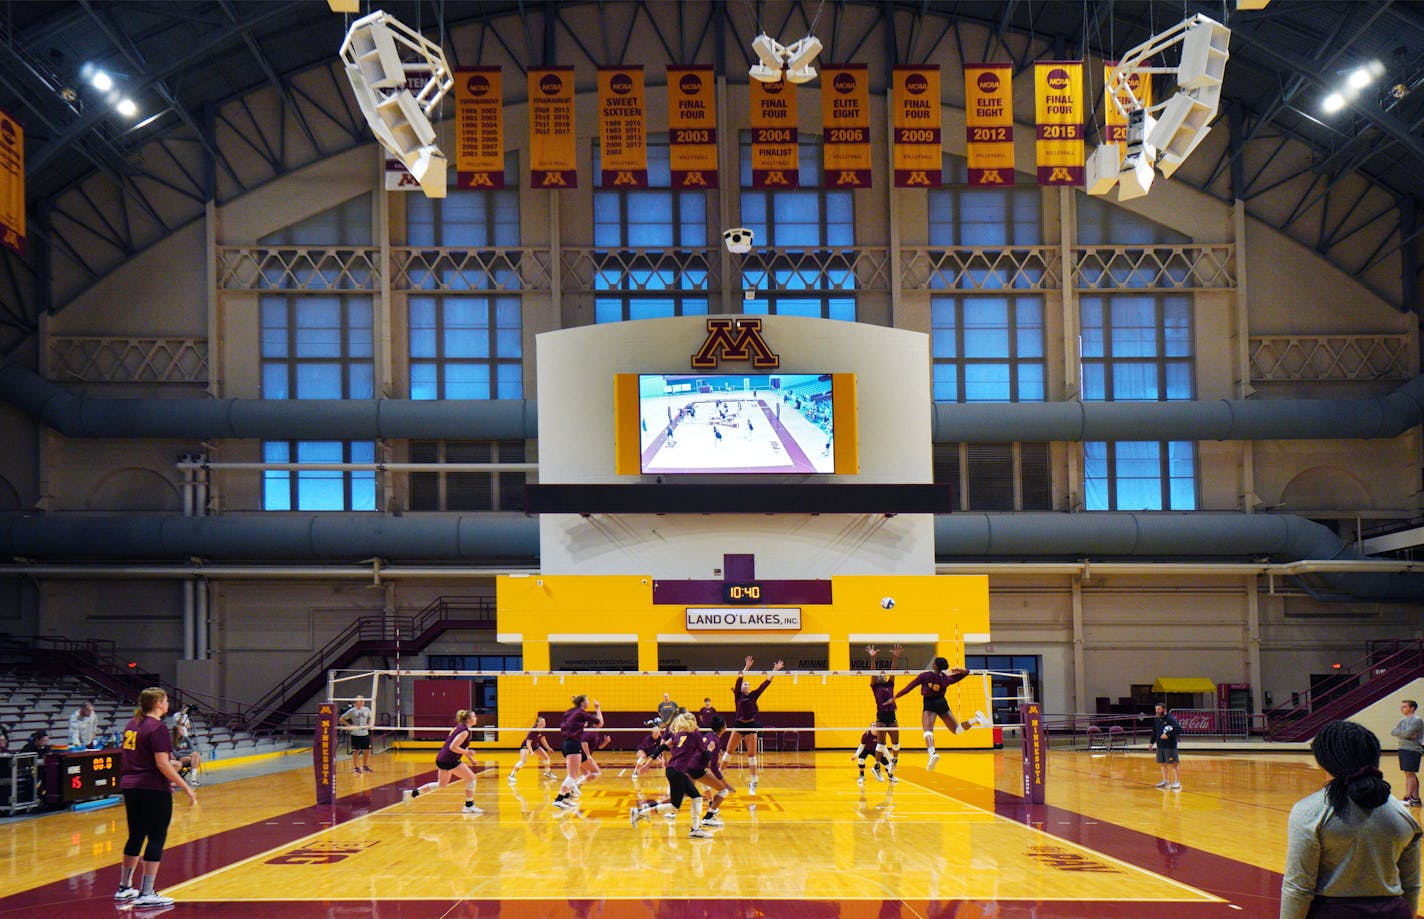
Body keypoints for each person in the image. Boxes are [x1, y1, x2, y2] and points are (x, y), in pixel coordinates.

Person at [1280, 720, 1421, 919]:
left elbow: (1299, 887)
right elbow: (1411, 885)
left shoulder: (1310, 811)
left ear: (1324, 759)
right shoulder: (1403, 813)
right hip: (1394, 912)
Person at [114, 687, 197, 907]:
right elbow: (161, 764)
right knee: (157, 836)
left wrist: (173, 765)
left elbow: (148, 758)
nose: (168, 703)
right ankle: (147, 892)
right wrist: (185, 786)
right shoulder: (158, 727)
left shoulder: (132, 724)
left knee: (136, 835)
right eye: (166, 699)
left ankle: (124, 887)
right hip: (152, 787)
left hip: (131, 785)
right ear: (159, 702)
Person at [630, 712, 721, 838]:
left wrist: (647, 764)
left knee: (697, 798)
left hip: (674, 770)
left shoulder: (679, 735)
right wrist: (710, 749)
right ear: (693, 722)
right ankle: (641, 812)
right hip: (678, 771)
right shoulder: (696, 735)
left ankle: (695, 829)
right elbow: (706, 757)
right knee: (674, 807)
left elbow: (661, 748)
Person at [893, 656, 987, 767]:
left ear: (934, 665)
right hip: (942, 703)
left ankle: (932, 754)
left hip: (929, 703)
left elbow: (909, 687)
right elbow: (965, 673)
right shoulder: (946, 679)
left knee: (927, 731)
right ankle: (975, 719)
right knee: (957, 730)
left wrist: (895, 697)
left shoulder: (925, 676)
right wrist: (961, 670)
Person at [724, 656, 784, 795]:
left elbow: (766, 683)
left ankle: (754, 781)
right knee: (728, 753)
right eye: (744, 684)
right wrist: (746, 667)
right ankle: (719, 777)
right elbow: (739, 679)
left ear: (750, 688)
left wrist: (774, 670)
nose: (746, 685)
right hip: (739, 726)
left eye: (747, 684)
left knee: (752, 755)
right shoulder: (738, 695)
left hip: (751, 726)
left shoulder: (753, 695)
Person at [405, 709, 483, 816]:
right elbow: (453, 747)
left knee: (442, 784)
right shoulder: (464, 731)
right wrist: (467, 752)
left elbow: (463, 745)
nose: (476, 718)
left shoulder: (462, 728)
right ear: (469, 719)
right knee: (472, 778)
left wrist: (471, 758)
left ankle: (412, 793)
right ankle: (469, 806)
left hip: (443, 758)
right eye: (474, 717)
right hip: (449, 760)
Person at [553, 694, 603, 810]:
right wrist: (597, 708)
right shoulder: (581, 713)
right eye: (587, 700)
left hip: (566, 744)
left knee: (573, 774)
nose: (589, 702)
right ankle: (559, 799)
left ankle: (566, 798)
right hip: (573, 744)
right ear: (582, 703)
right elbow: (600, 723)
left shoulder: (569, 711)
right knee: (572, 775)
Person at [867, 643, 903, 778]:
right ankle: (876, 766)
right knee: (881, 743)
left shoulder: (890, 684)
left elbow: (893, 670)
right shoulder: (874, 686)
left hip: (892, 716)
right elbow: (872, 672)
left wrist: (895, 657)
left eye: (883, 673)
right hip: (881, 716)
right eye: (879, 673)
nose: (882, 674)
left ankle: (895, 760)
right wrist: (872, 658)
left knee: (896, 743)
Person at [1390, 700, 1422, 808]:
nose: (1401, 708)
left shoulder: (1417, 720)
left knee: (1410, 774)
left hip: (1412, 749)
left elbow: (1405, 733)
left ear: (1412, 708)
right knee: (1409, 774)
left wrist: (1403, 734)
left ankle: (1408, 798)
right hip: (1403, 747)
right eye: (1401, 706)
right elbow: (1393, 731)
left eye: (1404, 706)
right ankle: (1415, 798)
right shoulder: (1402, 720)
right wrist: (1404, 734)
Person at [508, 716, 556, 783]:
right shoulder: (533, 731)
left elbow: (543, 740)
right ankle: (511, 775)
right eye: (541, 721)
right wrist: (531, 751)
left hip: (535, 746)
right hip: (526, 746)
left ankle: (547, 772)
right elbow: (528, 742)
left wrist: (548, 748)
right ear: (537, 723)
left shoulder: (543, 730)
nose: (543, 723)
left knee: (546, 758)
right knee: (523, 761)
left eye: (544, 721)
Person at [1150, 703, 1183, 790]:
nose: (1157, 711)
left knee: (1173, 763)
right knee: (1162, 763)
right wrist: (1151, 742)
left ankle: (1177, 782)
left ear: (1164, 709)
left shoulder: (1170, 719)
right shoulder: (1156, 719)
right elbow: (1154, 731)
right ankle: (1165, 781)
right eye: (1156, 709)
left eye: (1159, 709)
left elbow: (1179, 729)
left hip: (1170, 745)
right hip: (1160, 745)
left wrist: (1168, 735)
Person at [340, 695, 374, 774]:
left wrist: (369, 724)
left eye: (363, 701)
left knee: (367, 750)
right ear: (356, 702)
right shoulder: (352, 711)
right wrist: (349, 726)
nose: (362, 702)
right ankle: (356, 767)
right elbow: (341, 719)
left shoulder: (366, 709)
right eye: (360, 701)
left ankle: (364, 766)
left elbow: (371, 718)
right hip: (356, 733)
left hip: (365, 733)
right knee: (356, 750)